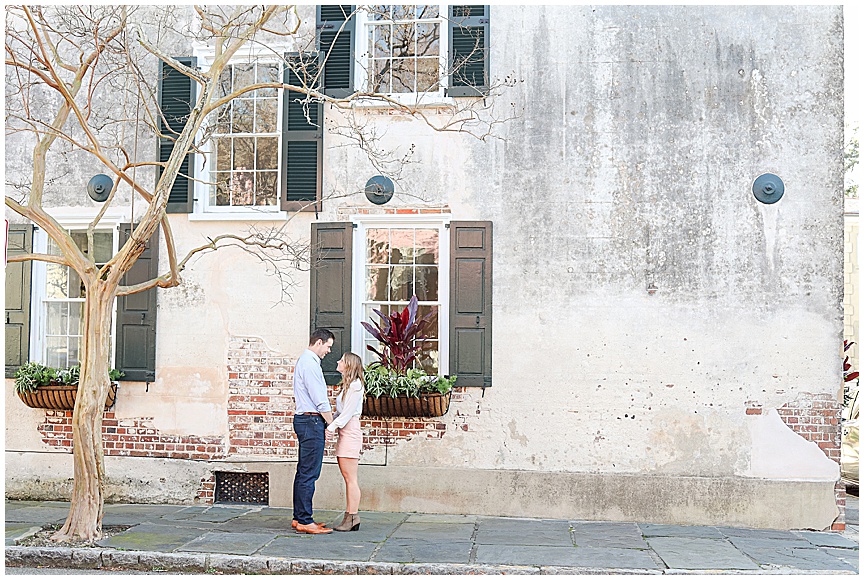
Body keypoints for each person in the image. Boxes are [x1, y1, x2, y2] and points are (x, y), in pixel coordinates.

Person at [291, 328, 335, 534]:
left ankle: (300, 518)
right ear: (318, 342)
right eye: (328, 346)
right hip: (311, 421)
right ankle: (305, 520)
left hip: (306, 420)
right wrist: (331, 423)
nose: (328, 351)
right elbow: (320, 400)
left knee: (303, 472)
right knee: (309, 473)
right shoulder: (309, 364)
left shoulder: (306, 362)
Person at [326, 352, 365, 532]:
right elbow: (339, 413)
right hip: (345, 432)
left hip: (350, 432)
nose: (338, 362)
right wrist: (329, 422)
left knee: (351, 478)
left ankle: (352, 517)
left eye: (341, 360)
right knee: (347, 477)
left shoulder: (356, 386)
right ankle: (349, 517)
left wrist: (332, 428)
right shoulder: (347, 387)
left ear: (348, 365)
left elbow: (348, 413)